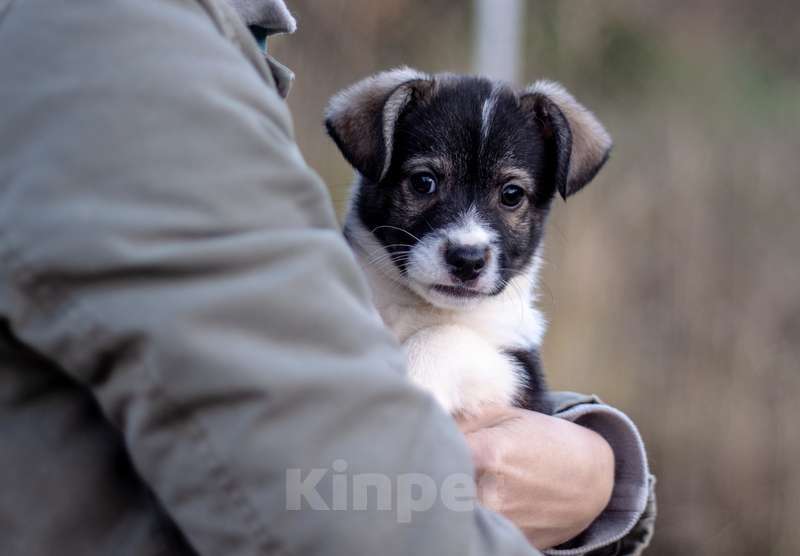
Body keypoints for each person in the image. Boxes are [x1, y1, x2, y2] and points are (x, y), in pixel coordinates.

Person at [0, 0, 655, 554]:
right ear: (377, 162)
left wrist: (599, 466)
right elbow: (333, 491)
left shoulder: (215, 37)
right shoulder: (123, 44)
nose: (469, 239)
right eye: (425, 184)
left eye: (511, 198)